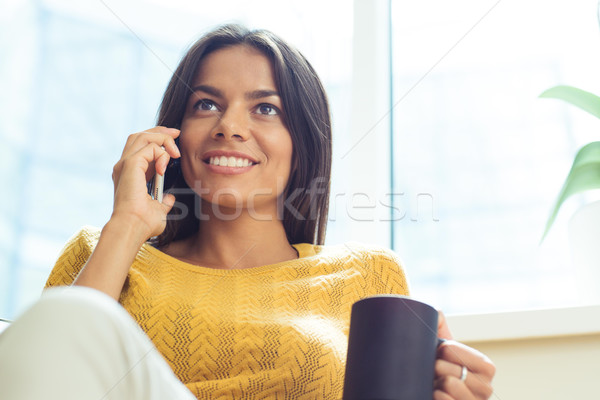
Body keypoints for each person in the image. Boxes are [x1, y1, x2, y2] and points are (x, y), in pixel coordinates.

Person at [0, 24, 495, 399]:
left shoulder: (367, 274)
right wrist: (127, 226)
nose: (230, 126)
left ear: (300, 143)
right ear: (174, 135)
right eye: (205, 105)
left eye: (265, 109)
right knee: (69, 314)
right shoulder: (102, 253)